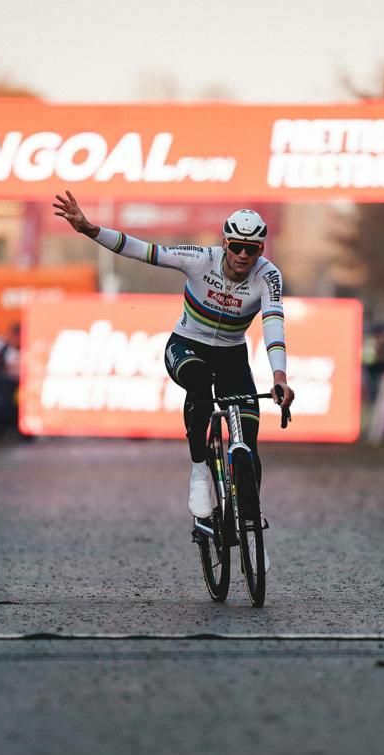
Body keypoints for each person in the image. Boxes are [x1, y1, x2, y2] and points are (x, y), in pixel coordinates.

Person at [53, 190, 295, 523]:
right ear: (224, 243)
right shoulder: (200, 259)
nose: (242, 255)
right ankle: (199, 472)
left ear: (261, 250)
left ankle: (248, 522)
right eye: (237, 246)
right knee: (199, 382)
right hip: (187, 346)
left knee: (248, 441)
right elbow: (144, 251)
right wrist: (90, 230)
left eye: (251, 249)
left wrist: (280, 376)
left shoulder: (268, 276)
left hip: (232, 356)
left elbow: (273, 323)